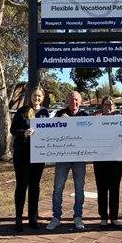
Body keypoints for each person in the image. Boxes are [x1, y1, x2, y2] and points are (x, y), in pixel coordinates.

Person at [46, 91, 88, 231]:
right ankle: (56, 217)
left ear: (80, 101)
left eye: (76, 100)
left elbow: (88, 134)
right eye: (71, 100)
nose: (73, 102)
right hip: (62, 157)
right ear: (67, 101)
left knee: (79, 189)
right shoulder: (59, 114)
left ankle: (78, 217)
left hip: (79, 158)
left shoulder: (85, 115)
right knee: (58, 188)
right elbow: (51, 131)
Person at [10, 86, 49, 232]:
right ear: (30, 96)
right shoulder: (22, 111)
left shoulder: (45, 112)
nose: (37, 98)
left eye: (39, 96)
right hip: (22, 154)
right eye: (34, 95)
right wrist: (24, 133)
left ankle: (33, 218)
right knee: (21, 186)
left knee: (35, 187)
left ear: (42, 97)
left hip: (38, 155)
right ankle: (18, 219)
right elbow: (13, 130)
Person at [93, 96, 122, 228]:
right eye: (105, 104)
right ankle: (103, 217)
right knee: (102, 189)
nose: (108, 107)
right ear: (102, 106)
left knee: (115, 189)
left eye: (110, 104)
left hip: (116, 160)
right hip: (100, 160)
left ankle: (114, 217)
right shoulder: (95, 121)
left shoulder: (120, 120)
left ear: (114, 107)